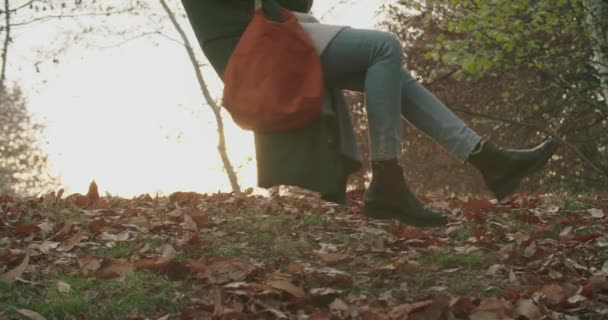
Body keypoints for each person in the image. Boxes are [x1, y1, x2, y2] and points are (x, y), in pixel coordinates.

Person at [181, 0, 559, 227]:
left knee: (388, 68)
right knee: (384, 47)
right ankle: (388, 179)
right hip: (254, 44)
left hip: (267, 33)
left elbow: (296, 1)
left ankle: (487, 158)